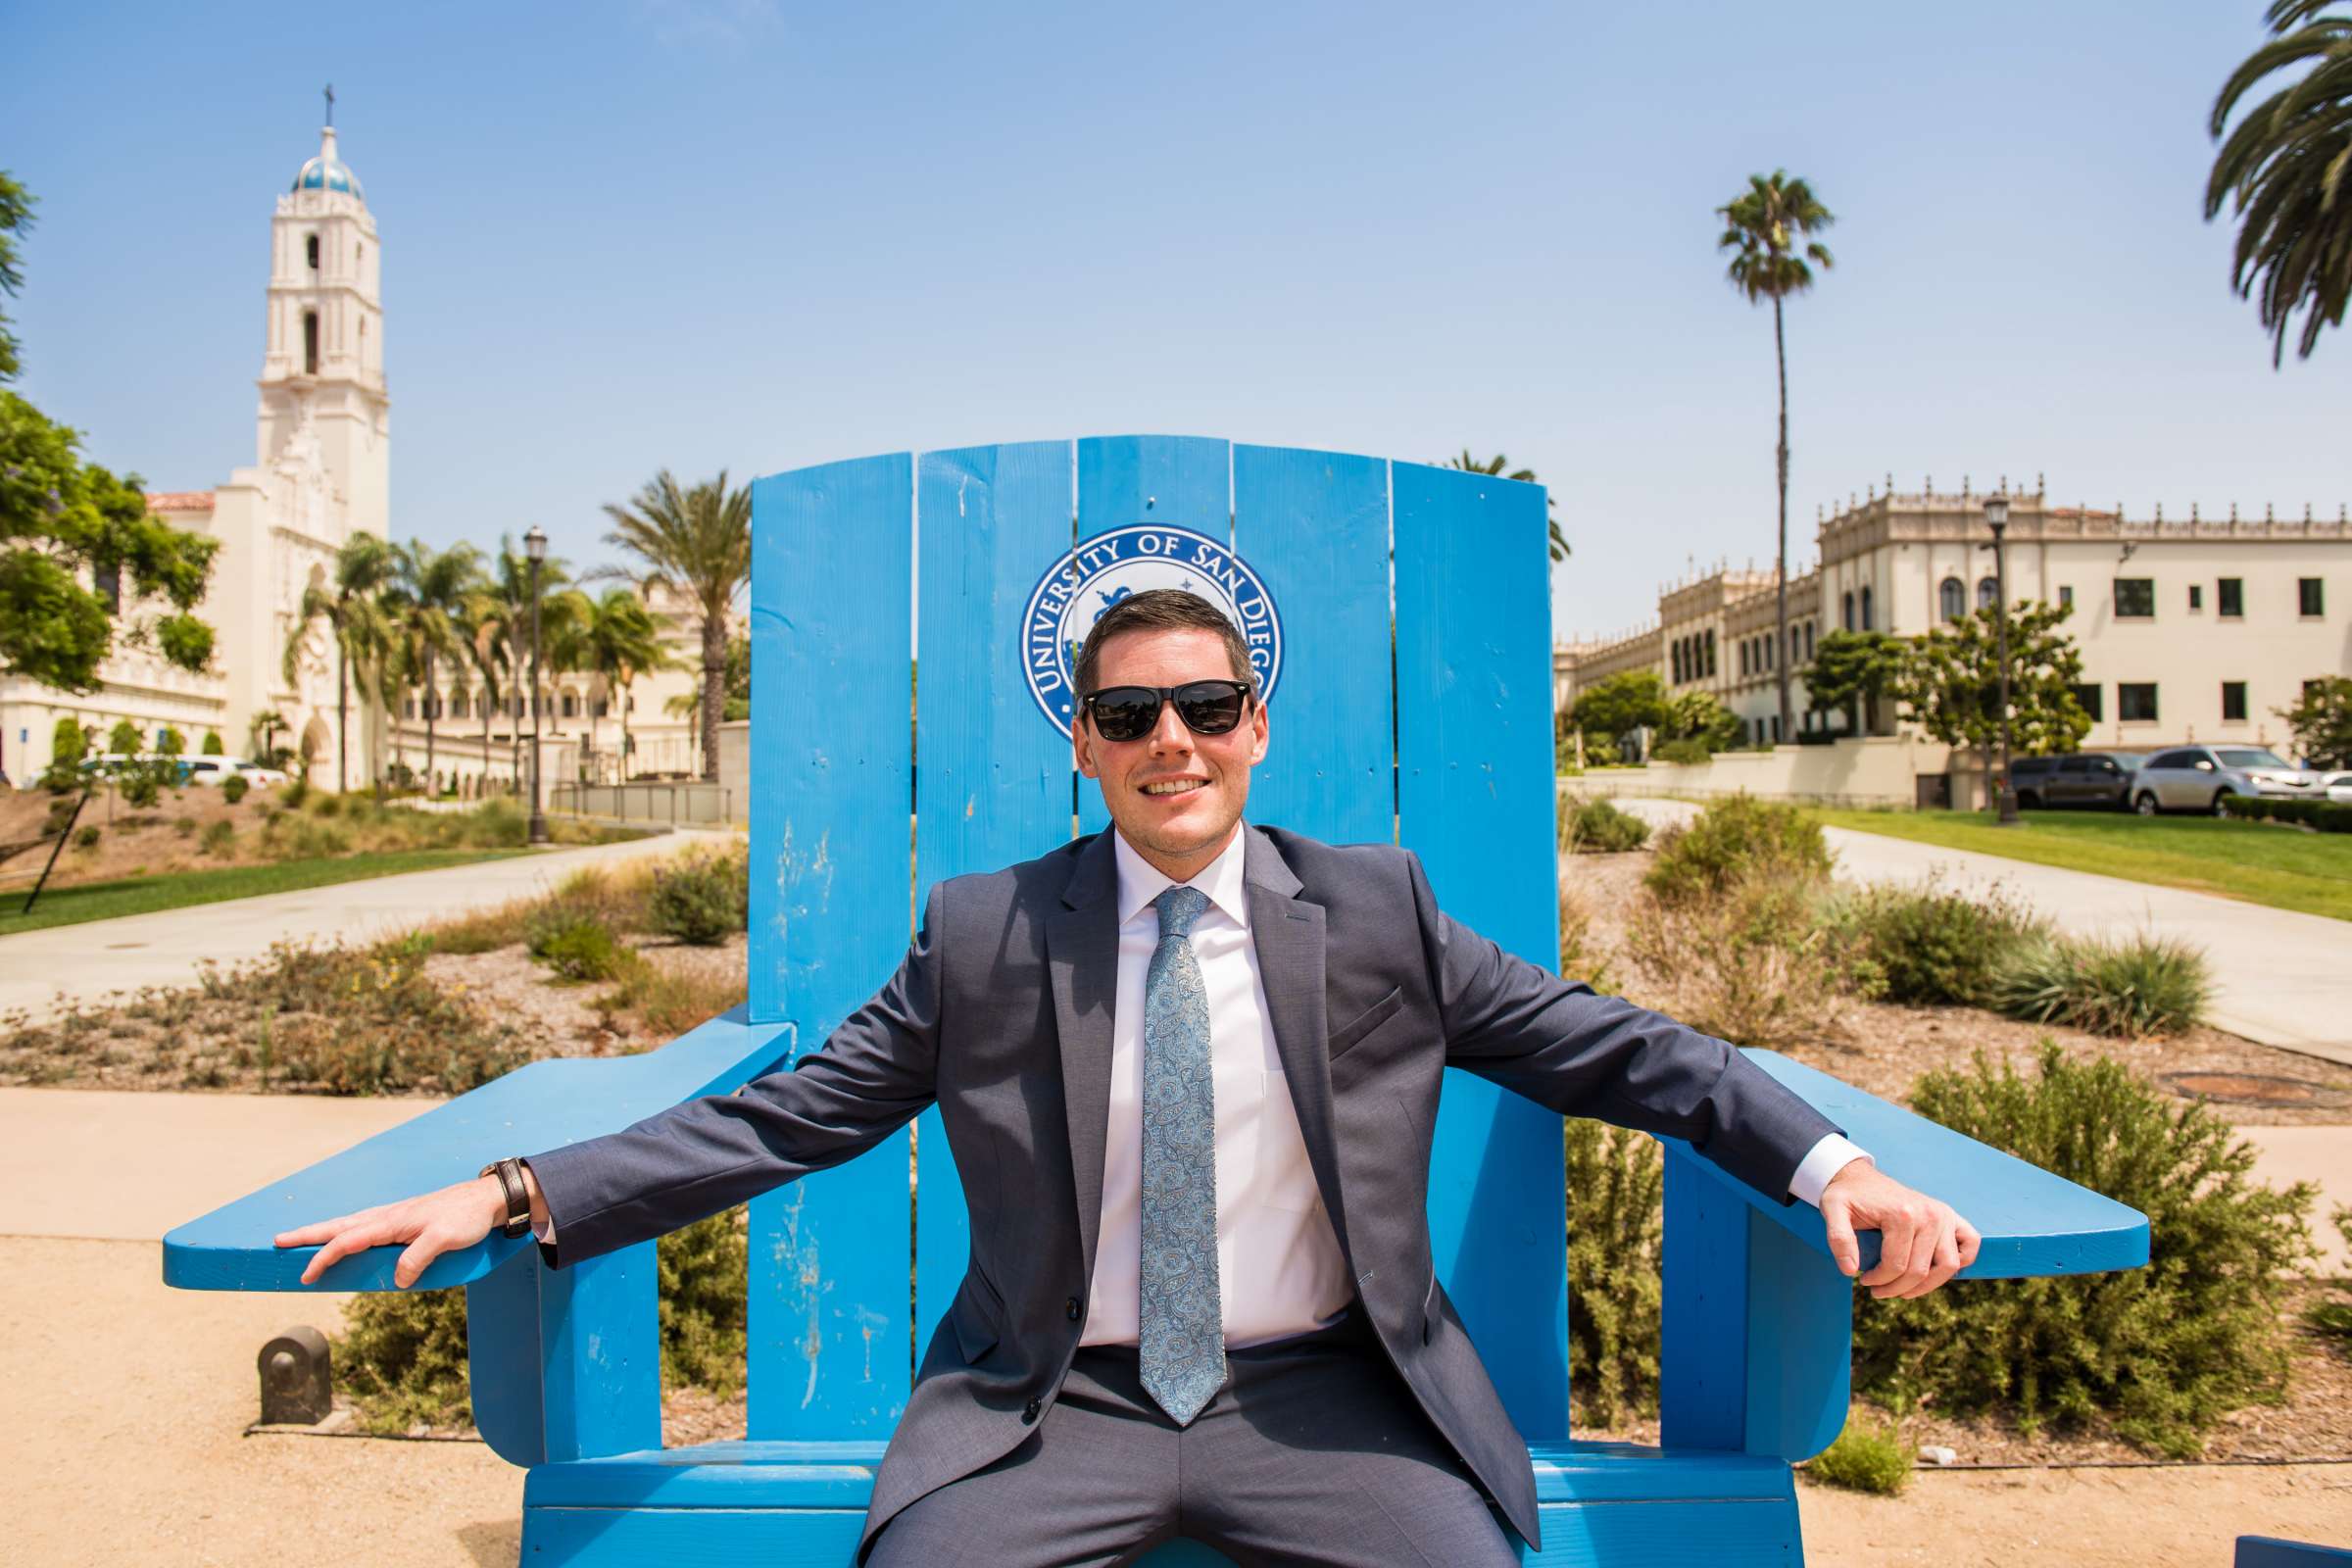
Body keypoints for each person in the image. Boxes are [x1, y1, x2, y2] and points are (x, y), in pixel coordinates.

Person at [277, 589, 1979, 1566]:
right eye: (1132, 714)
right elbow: (786, 1115)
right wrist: (520, 1191)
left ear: (1255, 729)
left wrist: (1839, 1171)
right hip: (1050, 1413)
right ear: (1082, 743)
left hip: (1330, 1403)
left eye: (1208, 705)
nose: (1174, 739)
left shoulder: (1377, 916)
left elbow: (1627, 1050)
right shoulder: (991, 934)